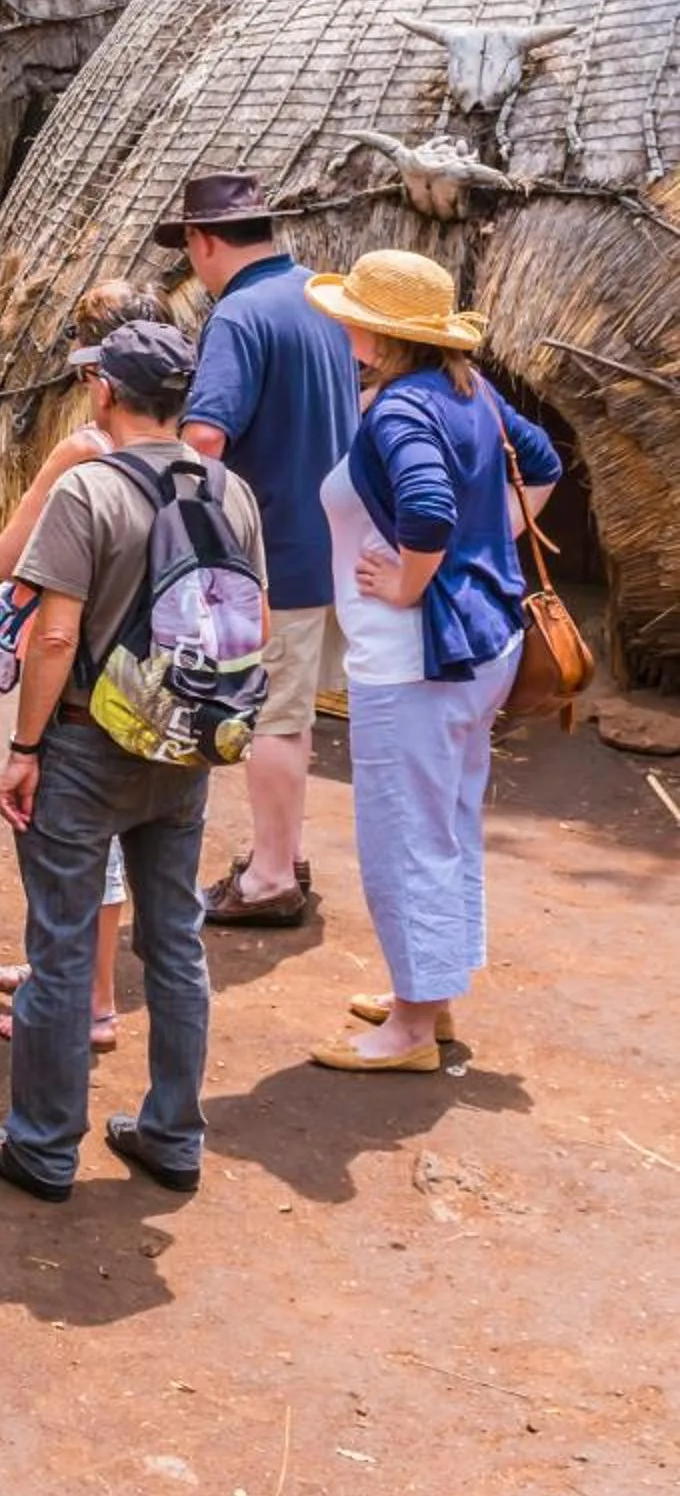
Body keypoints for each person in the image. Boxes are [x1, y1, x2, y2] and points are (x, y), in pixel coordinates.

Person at [0, 321, 259, 1202]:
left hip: (89, 741)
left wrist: (26, 748)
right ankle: (172, 1133)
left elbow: (55, 633)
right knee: (174, 940)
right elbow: (255, 622)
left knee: (59, 948)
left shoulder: (89, 489)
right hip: (186, 746)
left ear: (104, 393)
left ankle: (45, 1146)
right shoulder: (231, 488)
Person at [304, 251, 560, 1071]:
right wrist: (483, 554)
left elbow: (426, 507)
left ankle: (412, 1028)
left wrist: (418, 579)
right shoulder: (467, 389)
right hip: (478, 645)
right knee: (445, 821)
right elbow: (542, 462)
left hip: (418, 657)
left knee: (404, 831)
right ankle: (429, 992)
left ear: (374, 332)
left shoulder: (399, 410)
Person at [0, 277, 177, 1052]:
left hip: (85, 679)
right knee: (120, 842)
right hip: (161, 679)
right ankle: (63, 972)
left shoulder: (84, 453)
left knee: (76, 838)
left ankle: (87, 1002)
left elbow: (3, 558)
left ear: (99, 374)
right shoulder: (186, 456)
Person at [159, 172, 357, 925]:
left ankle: (272, 876)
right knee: (294, 713)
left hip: (273, 554)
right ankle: (282, 850)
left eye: (190, 250)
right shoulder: (319, 297)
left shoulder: (238, 316)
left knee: (273, 716)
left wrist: (174, 527)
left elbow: (205, 437)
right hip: (331, 543)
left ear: (205, 243)